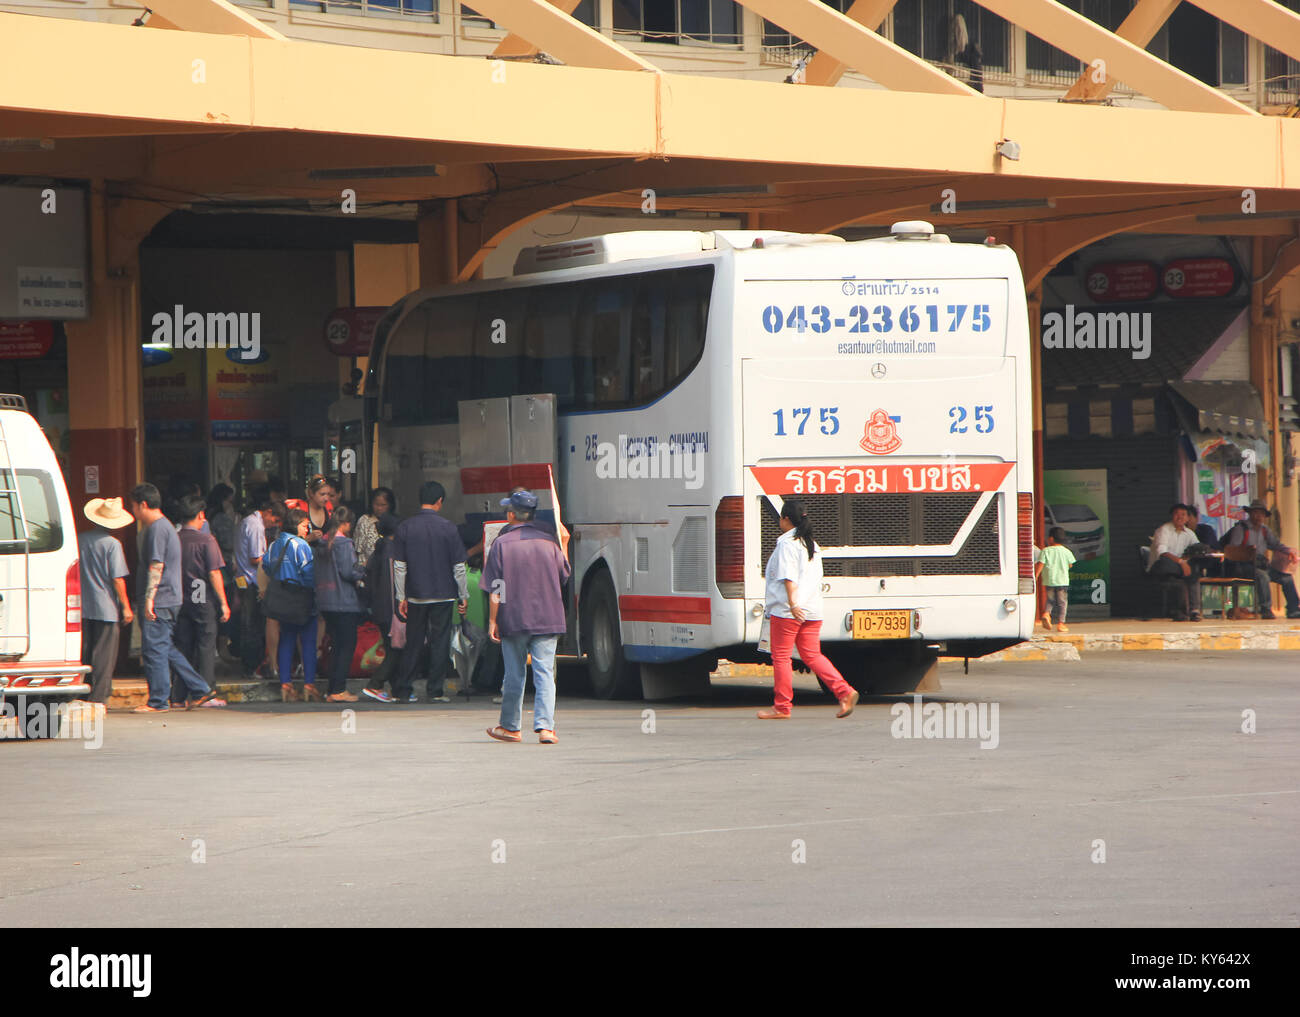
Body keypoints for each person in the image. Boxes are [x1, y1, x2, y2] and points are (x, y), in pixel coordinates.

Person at [757, 498, 858, 720]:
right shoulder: (811, 543)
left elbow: (789, 578)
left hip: (788, 610)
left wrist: (793, 604)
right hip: (812, 609)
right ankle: (844, 691)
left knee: (781, 656)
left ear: (785, 519)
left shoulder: (787, 543)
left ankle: (782, 706)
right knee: (812, 655)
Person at [483, 489, 571, 743]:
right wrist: (563, 543)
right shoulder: (550, 542)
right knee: (544, 672)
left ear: (511, 514)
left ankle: (511, 727)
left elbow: (497, 588)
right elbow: (563, 576)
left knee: (514, 673)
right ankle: (546, 728)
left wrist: (492, 620)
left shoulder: (501, 544)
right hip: (548, 615)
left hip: (514, 616)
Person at [128, 483, 225, 712]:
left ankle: (159, 700)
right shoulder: (166, 528)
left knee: (154, 650)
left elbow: (157, 565)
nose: (133, 512)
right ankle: (201, 688)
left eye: (133, 506)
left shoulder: (158, 529)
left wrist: (149, 598)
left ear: (143, 505)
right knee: (165, 648)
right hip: (170, 598)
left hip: (161, 599)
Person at [392, 481, 467, 705]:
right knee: (439, 642)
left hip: (415, 595)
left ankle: (404, 689)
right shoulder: (449, 528)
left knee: (413, 641)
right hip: (444, 595)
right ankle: (435, 691)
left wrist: (400, 596)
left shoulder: (405, 527)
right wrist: (463, 595)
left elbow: (399, 566)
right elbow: (459, 567)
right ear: (439, 502)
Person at [172, 495, 231, 705]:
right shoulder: (206, 540)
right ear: (200, 515)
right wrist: (223, 603)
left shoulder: (174, 539)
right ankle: (204, 692)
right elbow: (214, 573)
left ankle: (178, 696)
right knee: (206, 645)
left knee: (183, 647)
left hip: (180, 598)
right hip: (201, 597)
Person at [77, 497, 135, 705]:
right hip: (106, 608)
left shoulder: (80, 539)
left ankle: (82, 691)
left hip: (84, 605)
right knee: (104, 655)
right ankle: (99, 696)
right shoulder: (113, 545)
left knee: (85, 651)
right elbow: (117, 579)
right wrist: (126, 606)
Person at [264, 508, 320, 702]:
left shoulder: (274, 545)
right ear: (296, 525)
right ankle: (309, 685)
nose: (307, 530)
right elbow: (309, 574)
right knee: (308, 643)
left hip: (282, 601)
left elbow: (266, 565)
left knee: (286, 640)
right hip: (302, 600)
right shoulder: (301, 545)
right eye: (305, 526)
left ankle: (285, 684)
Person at [315, 506, 363, 703]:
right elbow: (348, 572)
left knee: (335, 645)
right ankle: (339, 689)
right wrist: (363, 571)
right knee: (346, 645)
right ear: (347, 524)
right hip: (344, 601)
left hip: (326, 601)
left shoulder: (323, 543)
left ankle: (331, 689)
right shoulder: (344, 544)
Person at [1221, 499, 1300, 619]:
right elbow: (1232, 550)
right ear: (1250, 513)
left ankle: (1293, 609)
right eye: (1256, 513)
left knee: (1286, 578)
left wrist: (1289, 551)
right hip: (1243, 566)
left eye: (1261, 514)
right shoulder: (1241, 528)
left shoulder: (1265, 530)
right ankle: (1265, 609)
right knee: (1263, 576)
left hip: (1260, 564)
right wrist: (1248, 551)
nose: (1259, 516)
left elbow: (1275, 544)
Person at [234, 494, 284, 678]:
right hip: (252, 580)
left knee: (250, 624)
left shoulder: (249, 522)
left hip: (245, 579)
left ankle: (251, 665)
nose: (274, 524)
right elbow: (255, 558)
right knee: (253, 626)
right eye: (275, 520)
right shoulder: (255, 525)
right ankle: (252, 666)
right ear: (268, 512)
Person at [361, 511, 402, 703]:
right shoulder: (391, 551)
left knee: (391, 647)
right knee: (397, 649)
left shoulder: (379, 549)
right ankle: (375, 684)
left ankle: (396, 689)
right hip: (391, 607)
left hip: (379, 607)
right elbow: (391, 583)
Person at [1146, 503, 1202, 622]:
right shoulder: (1164, 530)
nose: (1180, 517)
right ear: (1172, 516)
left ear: (1188, 518)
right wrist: (1182, 562)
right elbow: (1162, 552)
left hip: (1177, 568)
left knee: (1194, 572)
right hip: (1160, 567)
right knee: (1177, 576)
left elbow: (1196, 547)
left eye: (1183, 515)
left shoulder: (1189, 533)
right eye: (1177, 514)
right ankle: (1179, 612)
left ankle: (1194, 611)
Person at [1039, 527, 1076, 632]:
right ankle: (1061, 624)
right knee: (1062, 602)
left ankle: (1046, 613)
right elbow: (1070, 565)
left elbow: (1041, 565)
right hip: (1062, 581)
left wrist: (1036, 576)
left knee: (1050, 600)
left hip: (1049, 580)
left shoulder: (1045, 551)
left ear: (1051, 539)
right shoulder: (1066, 551)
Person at [285, 474, 333, 546]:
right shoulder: (300, 510)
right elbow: (290, 542)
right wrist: (308, 539)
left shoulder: (329, 509)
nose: (326, 499)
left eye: (328, 494)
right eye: (322, 494)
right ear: (311, 493)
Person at [353, 487, 396, 569]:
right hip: (366, 570)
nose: (379, 508)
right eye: (376, 504)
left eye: (383, 505)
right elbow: (357, 549)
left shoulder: (394, 522)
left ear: (390, 505)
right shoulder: (364, 521)